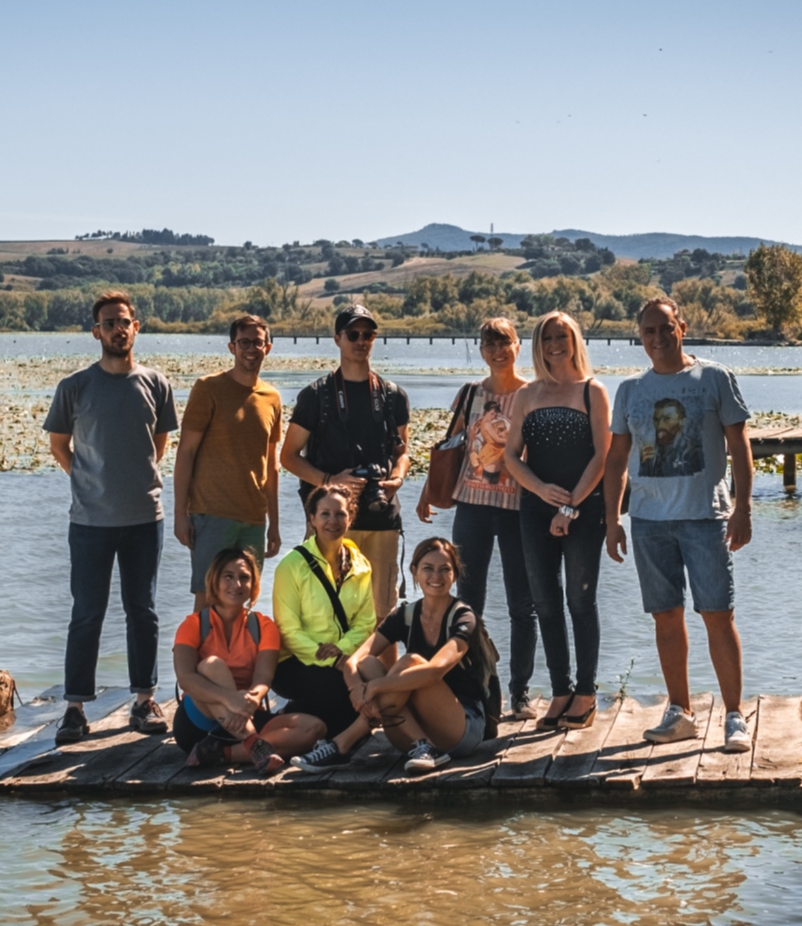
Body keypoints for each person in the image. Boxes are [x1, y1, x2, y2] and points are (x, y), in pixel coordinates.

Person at [603, 295, 756, 752]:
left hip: (705, 518)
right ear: (640, 337)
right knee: (666, 618)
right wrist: (612, 520)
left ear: (681, 328)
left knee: (717, 615)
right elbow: (615, 460)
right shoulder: (630, 390)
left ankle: (733, 716)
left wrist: (744, 507)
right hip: (649, 522)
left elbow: (740, 447)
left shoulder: (713, 378)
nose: (656, 338)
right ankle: (680, 712)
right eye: (648, 331)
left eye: (664, 328)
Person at [44, 290, 179, 745]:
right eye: (109, 322)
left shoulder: (156, 383)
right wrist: (90, 480)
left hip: (145, 517)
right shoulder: (74, 387)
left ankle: (144, 701)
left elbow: (157, 445)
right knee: (87, 613)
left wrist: (134, 481)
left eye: (125, 321)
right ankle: (75, 709)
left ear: (136, 328)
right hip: (89, 522)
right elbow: (60, 446)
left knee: (143, 611)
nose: (118, 329)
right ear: (95, 331)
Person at [417, 315, 536, 721]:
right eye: (489, 344)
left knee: (523, 604)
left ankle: (520, 693)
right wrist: (427, 491)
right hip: (472, 507)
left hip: (519, 510)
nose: (497, 351)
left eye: (504, 343)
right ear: (481, 351)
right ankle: (475, 691)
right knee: (468, 604)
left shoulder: (532, 394)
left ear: (518, 347)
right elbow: (449, 444)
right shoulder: (470, 395)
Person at [503, 311, 611, 732]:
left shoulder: (593, 391)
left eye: (562, 336)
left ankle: (586, 693)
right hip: (534, 509)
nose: (555, 344)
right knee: (545, 602)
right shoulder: (527, 394)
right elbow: (511, 455)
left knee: (580, 600)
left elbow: (603, 456)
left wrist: (569, 506)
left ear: (574, 340)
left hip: (585, 507)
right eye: (547, 337)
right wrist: (540, 491)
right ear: (538, 343)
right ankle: (561, 690)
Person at [279, 302, 411, 621]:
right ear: (337, 339)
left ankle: (383, 673)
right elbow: (288, 456)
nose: (360, 341)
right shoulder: (317, 396)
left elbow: (402, 452)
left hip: (382, 521)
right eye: (353, 334)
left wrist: (397, 479)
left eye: (368, 334)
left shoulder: (393, 395)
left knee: (383, 617)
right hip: (331, 521)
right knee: (326, 612)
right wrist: (329, 481)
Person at [341, 537, 501, 775]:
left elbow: (436, 670)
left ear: (454, 574)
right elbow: (354, 661)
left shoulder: (464, 618)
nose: (436, 576)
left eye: (444, 569)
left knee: (412, 661)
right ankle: (423, 745)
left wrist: (376, 686)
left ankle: (342, 742)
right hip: (409, 734)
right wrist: (356, 689)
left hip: (461, 730)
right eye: (428, 568)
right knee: (368, 663)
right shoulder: (404, 615)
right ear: (414, 571)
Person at [171, 547, 323, 775]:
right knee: (212, 665)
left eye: (245, 578)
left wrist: (247, 702)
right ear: (215, 581)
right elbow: (186, 678)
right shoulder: (192, 624)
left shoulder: (264, 626)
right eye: (228, 577)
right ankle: (254, 744)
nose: (237, 584)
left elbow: (263, 679)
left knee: (314, 729)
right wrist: (230, 699)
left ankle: (220, 753)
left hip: (245, 711)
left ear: (254, 585)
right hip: (199, 721)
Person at [172, 313, 285, 614]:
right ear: (232, 347)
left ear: (268, 348)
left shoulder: (271, 398)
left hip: (253, 519)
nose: (251, 349)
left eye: (257, 343)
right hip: (211, 516)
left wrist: (274, 523)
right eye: (244, 342)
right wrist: (180, 514)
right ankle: (198, 661)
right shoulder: (208, 388)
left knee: (242, 601)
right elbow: (185, 453)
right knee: (207, 599)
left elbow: (271, 465)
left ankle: (233, 661)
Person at [269, 483, 379, 771]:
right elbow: (288, 632)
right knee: (345, 692)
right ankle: (316, 729)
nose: (333, 521)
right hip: (295, 663)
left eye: (340, 514)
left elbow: (366, 622)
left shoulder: (361, 565)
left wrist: (342, 653)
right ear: (312, 519)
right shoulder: (291, 566)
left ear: (350, 518)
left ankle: (315, 726)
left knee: (378, 681)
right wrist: (335, 660)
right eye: (325, 514)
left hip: (344, 659)